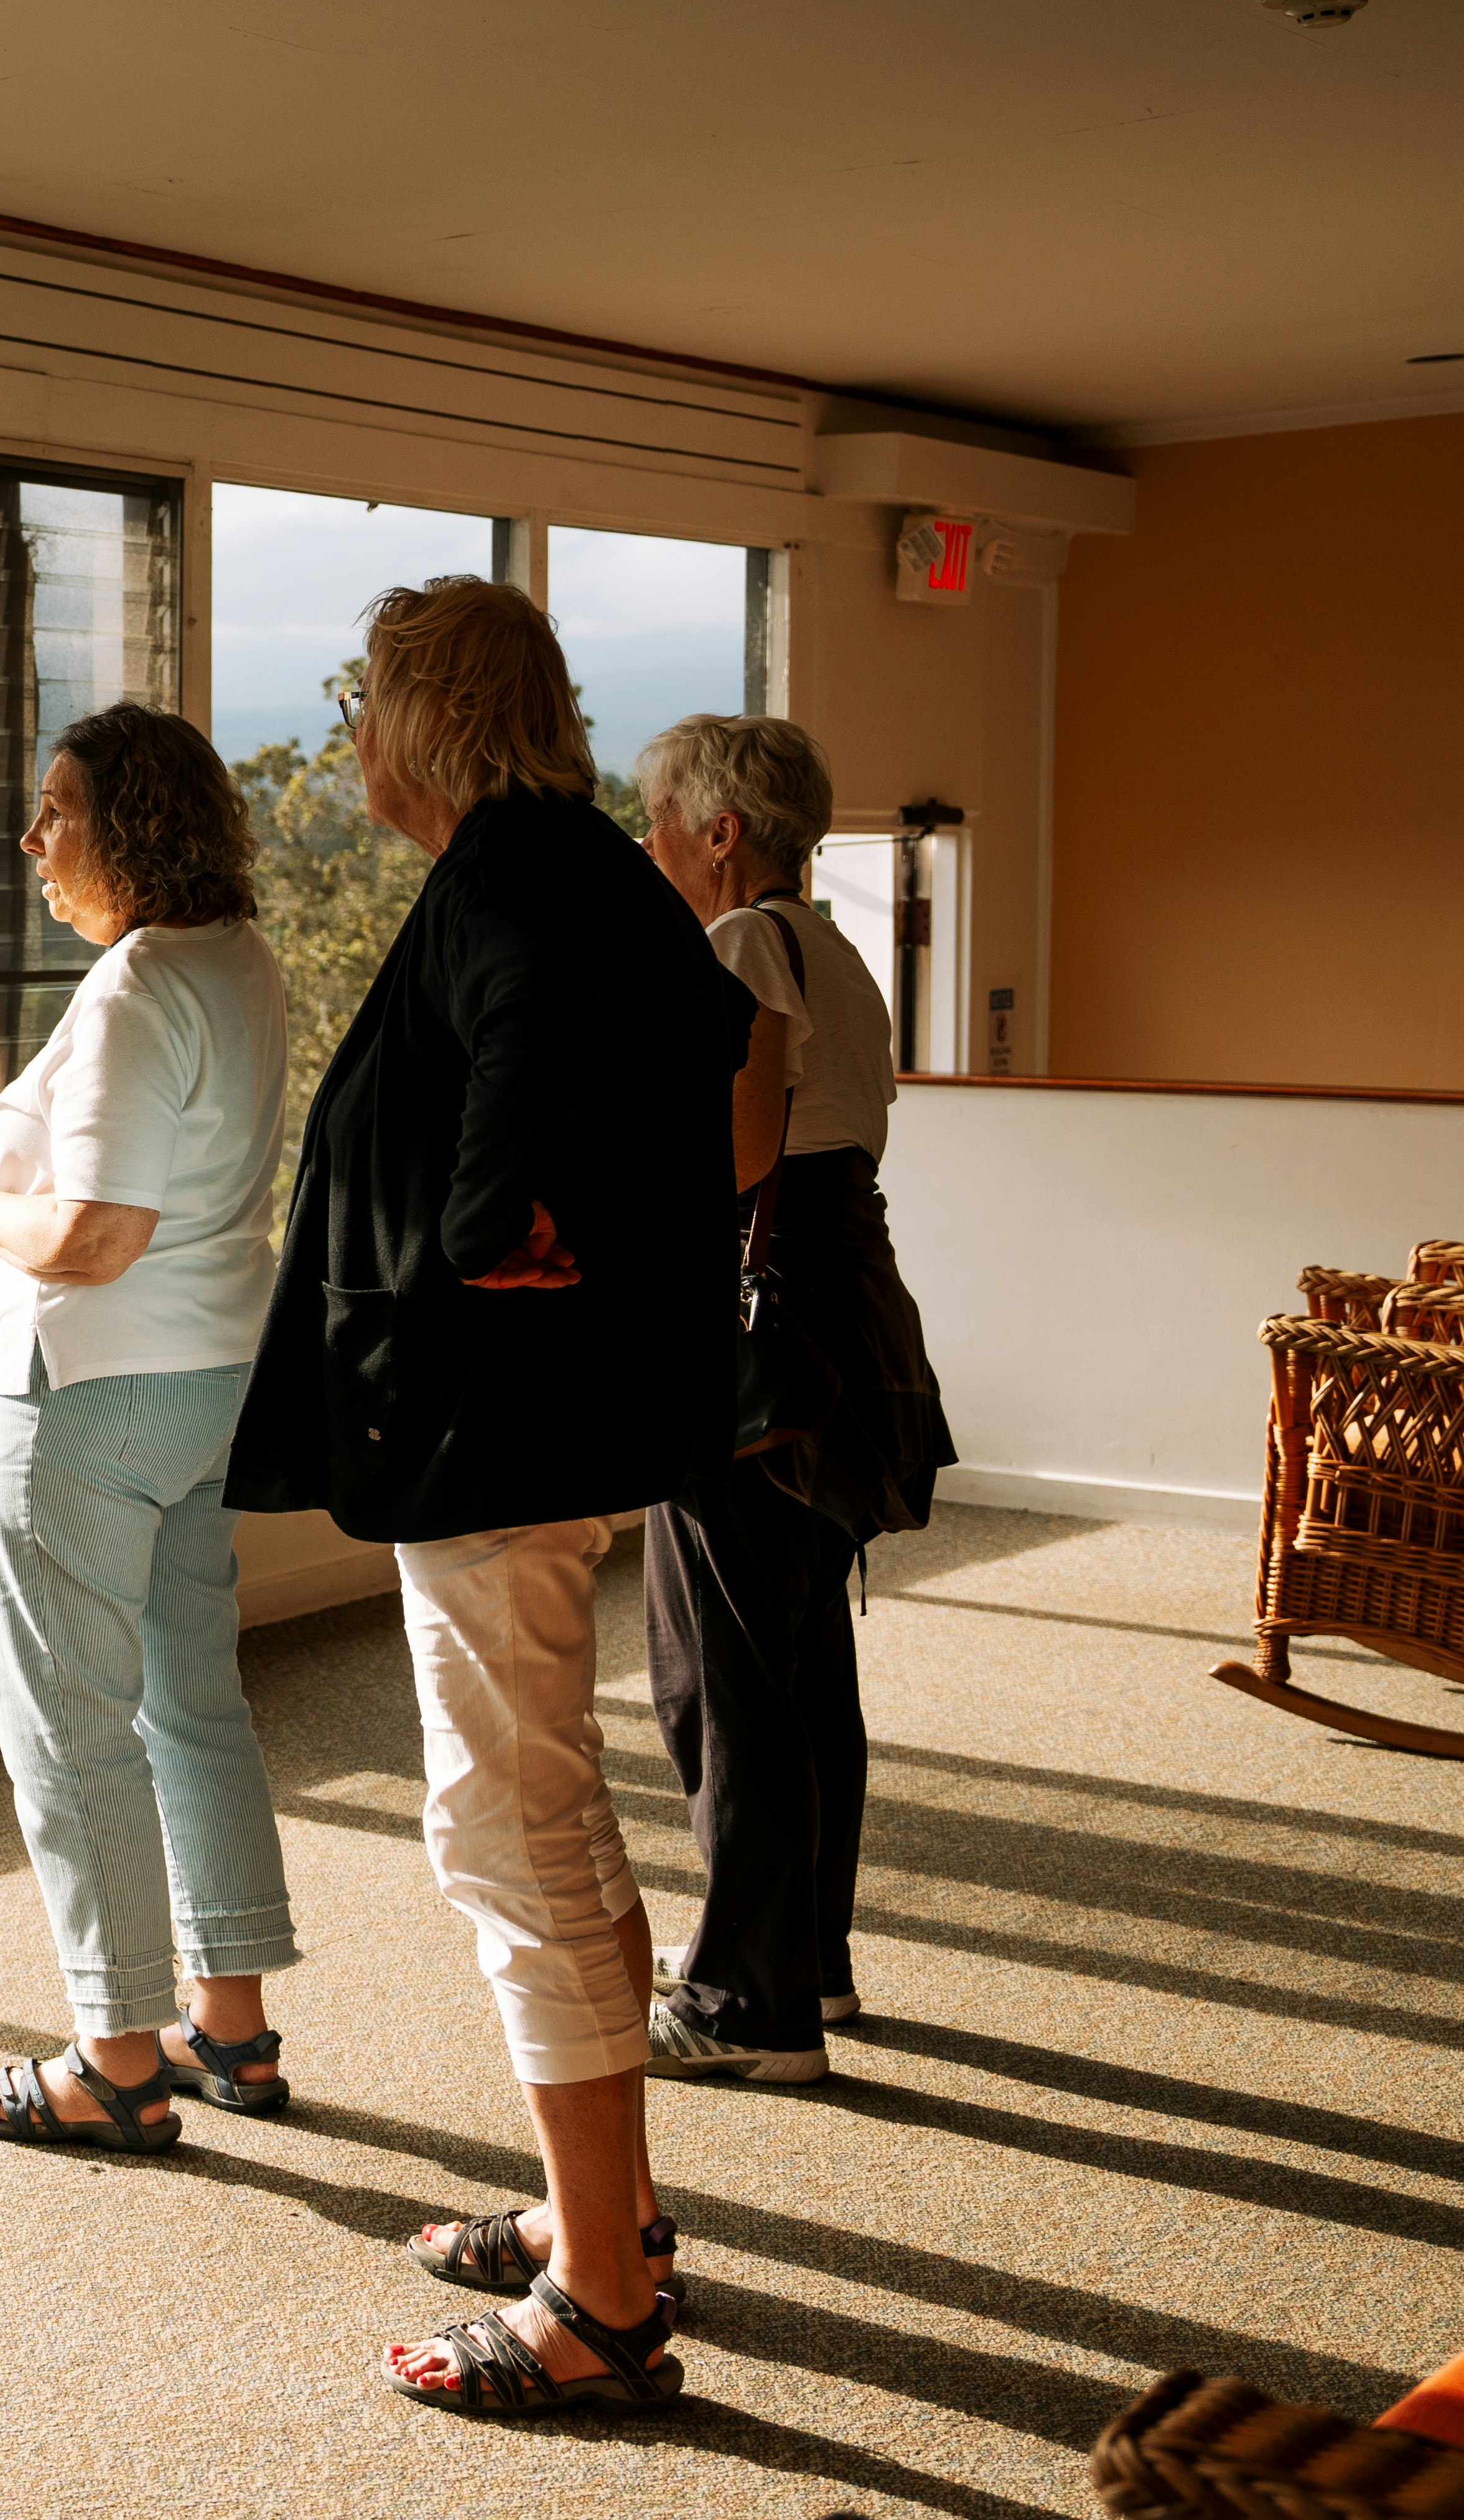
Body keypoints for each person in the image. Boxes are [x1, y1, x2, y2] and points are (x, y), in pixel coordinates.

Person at [221, 576, 750, 2419]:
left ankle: (600, 2303)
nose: (349, 728)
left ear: (421, 715)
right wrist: (565, 1231)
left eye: (360, 696)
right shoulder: (576, 860)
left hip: (493, 1434)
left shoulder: (514, 887)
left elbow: (531, 1048)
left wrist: (482, 1223)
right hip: (541, 1424)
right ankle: (602, 2215)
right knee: (555, 1812)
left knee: (507, 1835)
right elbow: (715, 1049)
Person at [0, 703, 298, 2155]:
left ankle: (114, 2057)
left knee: (68, 1726)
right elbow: (164, 1167)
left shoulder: (133, 983)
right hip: (211, 1383)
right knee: (192, 1697)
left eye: (53, 809)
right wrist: (0, 1160)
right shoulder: (235, 962)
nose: (30, 839)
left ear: (128, 827)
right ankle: (231, 2027)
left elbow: (95, 1232)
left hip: (88, 1397)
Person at [628, 714, 955, 2084]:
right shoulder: (845, 954)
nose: (647, 843)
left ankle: (753, 2004)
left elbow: (738, 1150)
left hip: (765, 1337)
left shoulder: (742, 946)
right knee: (802, 1660)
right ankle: (803, 1956)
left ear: (721, 831)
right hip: (847, 1317)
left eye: (657, 817)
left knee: (727, 1673)